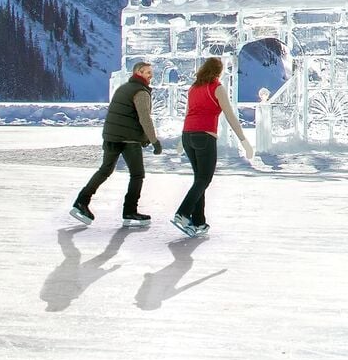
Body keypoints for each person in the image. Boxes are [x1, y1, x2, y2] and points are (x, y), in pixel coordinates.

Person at [71, 60, 161, 226]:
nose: (151, 75)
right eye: (148, 72)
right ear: (139, 72)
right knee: (137, 175)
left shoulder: (124, 89)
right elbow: (144, 118)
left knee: (105, 170)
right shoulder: (140, 92)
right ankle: (130, 211)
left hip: (111, 137)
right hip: (128, 140)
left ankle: (81, 202)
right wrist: (153, 140)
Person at [173, 56, 254, 237]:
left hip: (188, 136)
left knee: (199, 179)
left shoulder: (193, 88)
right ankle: (183, 213)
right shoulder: (216, 88)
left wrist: (181, 140)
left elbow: (188, 113)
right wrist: (243, 140)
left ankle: (199, 221)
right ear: (218, 72)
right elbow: (230, 115)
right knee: (204, 179)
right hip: (205, 136)